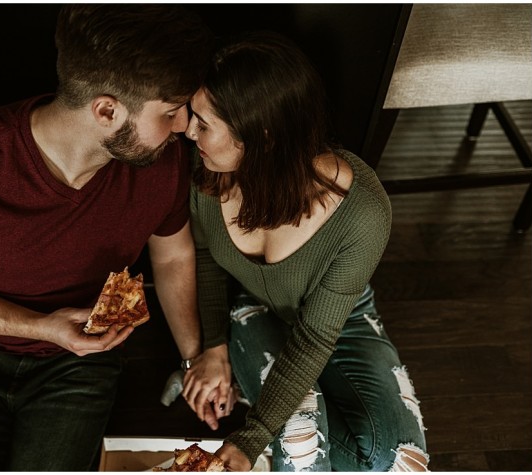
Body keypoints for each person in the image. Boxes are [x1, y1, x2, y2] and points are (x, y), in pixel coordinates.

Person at [0, 5, 213, 471]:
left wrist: (191, 359)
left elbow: (174, 257)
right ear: (107, 110)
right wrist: (39, 327)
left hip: (84, 358)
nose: (185, 126)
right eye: (170, 112)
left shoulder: (161, 162)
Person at [180, 32, 429, 471]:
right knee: (302, 449)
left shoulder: (363, 212)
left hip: (339, 319)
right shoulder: (210, 170)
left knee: (401, 463)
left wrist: (253, 435)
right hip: (249, 307)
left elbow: (314, 337)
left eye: (204, 123)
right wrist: (213, 346)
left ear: (262, 136)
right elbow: (204, 257)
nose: (187, 130)